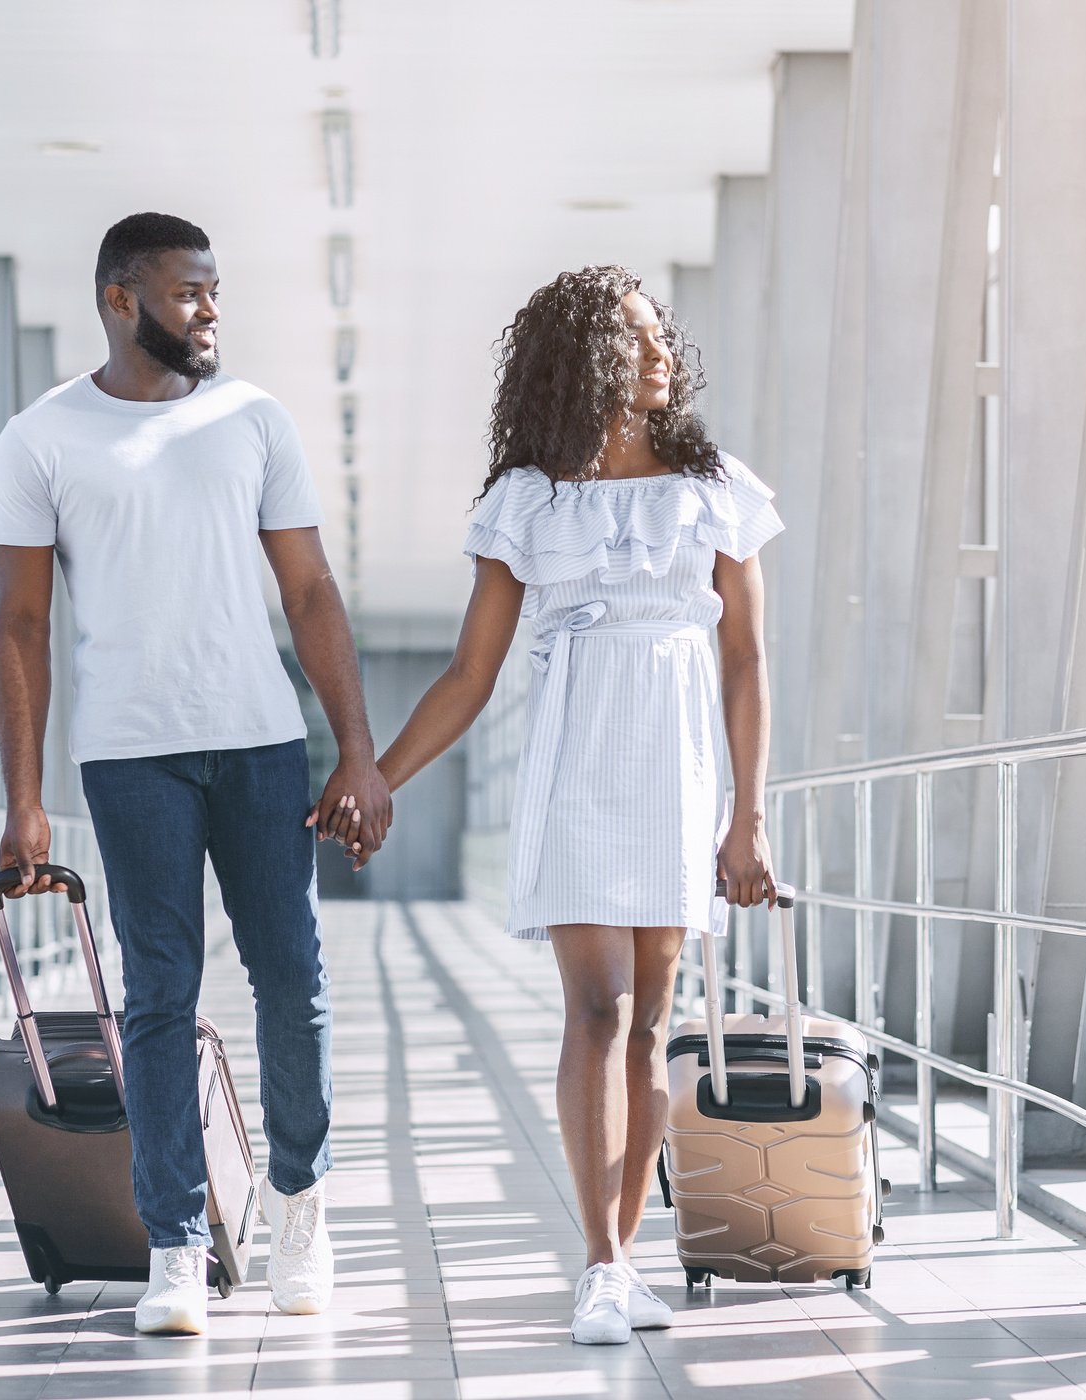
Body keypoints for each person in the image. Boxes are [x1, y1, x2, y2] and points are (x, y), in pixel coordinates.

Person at [0, 212, 389, 1335]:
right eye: (188, 292)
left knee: (292, 981)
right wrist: (24, 796)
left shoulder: (254, 418)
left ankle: (299, 1207)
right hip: (127, 752)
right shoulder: (41, 439)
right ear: (122, 299)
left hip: (261, 742)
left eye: (215, 291)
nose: (210, 310)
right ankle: (175, 1239)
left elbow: (309, 592)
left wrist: (355, 748)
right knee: (156, 992)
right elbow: (21, 623)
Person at [373, 266, 781, 1344]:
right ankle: (598, 1261)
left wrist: (747, 817)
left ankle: (626, 1257)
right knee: (594, 1003)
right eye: (636, 339)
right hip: (579, 754)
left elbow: (745, 660)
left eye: (662, 337)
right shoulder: (528, 498)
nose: (660, 355)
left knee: (650, 1015)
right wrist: (373, 772)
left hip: (678, 758)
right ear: (583, 358)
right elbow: (468, 674)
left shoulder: (716, 485)